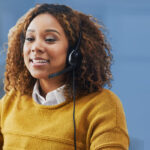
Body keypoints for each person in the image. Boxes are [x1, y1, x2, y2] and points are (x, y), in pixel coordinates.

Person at [0, 3, 129, 150]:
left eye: (49, 39)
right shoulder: (10, 102)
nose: (35, 47)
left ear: (75, 52)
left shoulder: (102, 105)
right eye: (30, 39)